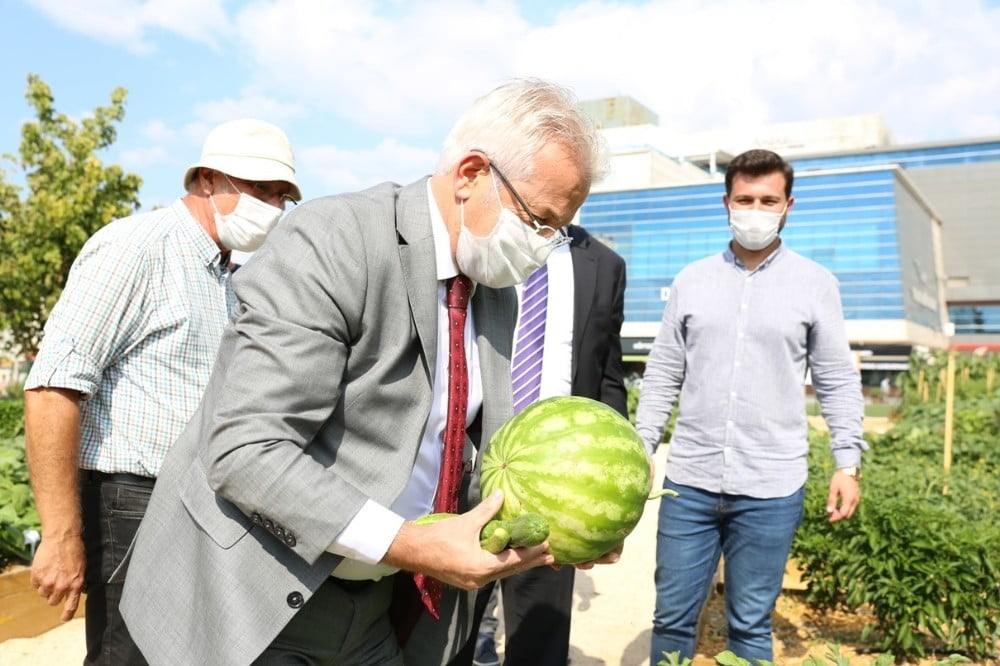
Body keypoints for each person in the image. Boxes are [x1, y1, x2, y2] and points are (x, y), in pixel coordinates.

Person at [118, 78, 612, 666]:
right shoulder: (334, 239)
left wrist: (561, 517)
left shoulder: (494, 286)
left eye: (557, 232)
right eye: (537, 220)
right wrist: (410, 545)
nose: (542, 246)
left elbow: (468, 455)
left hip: (377, 603)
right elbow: (246, 447)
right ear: (471, 173)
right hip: (259, 591)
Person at [22, 118, 301, 664]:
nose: (272, 205)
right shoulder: (138, 248)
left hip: (195, 503)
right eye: (260, 189)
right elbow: (54, 386)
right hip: (132, 503)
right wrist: (60, 534)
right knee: (129, 655)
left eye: (281, 196)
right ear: (206, 180)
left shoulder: (228, 278)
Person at [635, 149, 866, 664]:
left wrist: (847, 463)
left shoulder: (815, 284)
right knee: (671, 617)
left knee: (750, 624)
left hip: (770, 486)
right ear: (726, 202)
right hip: (689, 482)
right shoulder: (692, 280)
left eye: (768, 200)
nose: (755, 209)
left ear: (788, 205)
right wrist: (641, 447)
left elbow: (835, 379)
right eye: (745, 199)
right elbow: (664, 373)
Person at [457, 224, 628, 666]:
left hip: (561, 483)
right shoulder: (478, 241)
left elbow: (608, 373)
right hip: (468, 466)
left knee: (540, 642)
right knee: (448, 638)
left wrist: (619, 478)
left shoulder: (606, 265)